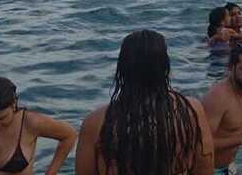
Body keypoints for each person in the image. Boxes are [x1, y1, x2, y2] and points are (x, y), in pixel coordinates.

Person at [75, 30, 214, 175]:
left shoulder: (96, 122)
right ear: (164, 67)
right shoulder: (190, 110)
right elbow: (205, 168)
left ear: (122, 68)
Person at [0, 76, 76, 175]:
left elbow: (69, 135)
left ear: (13, 104)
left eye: (2, 118)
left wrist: (51, 172)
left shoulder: (30, 122)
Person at [203, 41, 242, 175]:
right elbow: (200, 145)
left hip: (230, 167)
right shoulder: (217, 98)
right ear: (231, 68)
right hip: (208, 170)